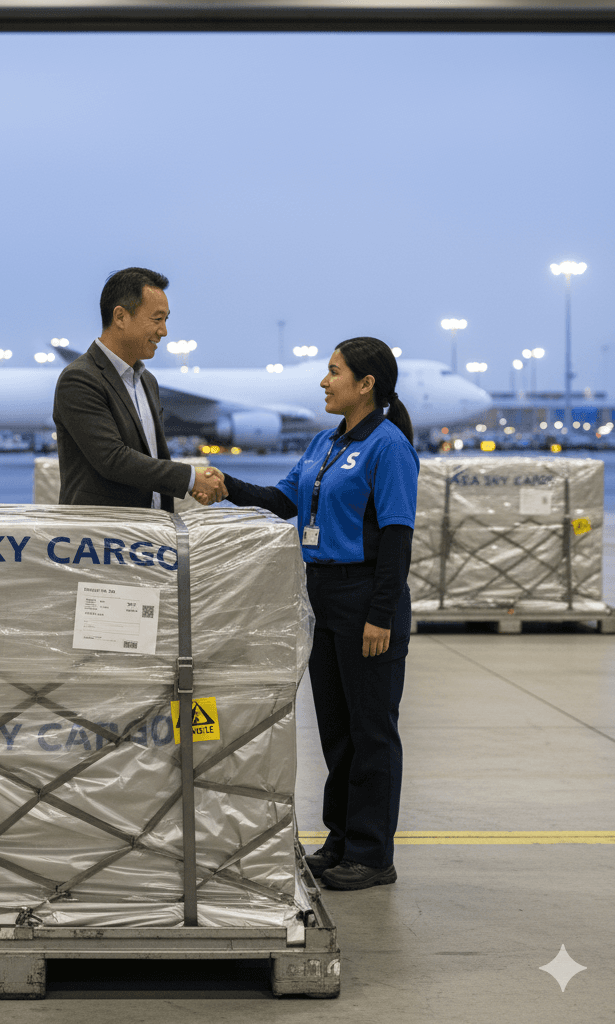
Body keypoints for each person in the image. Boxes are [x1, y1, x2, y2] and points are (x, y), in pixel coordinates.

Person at [195, 337, 418, 891]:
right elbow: (285, 501)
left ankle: (372, 854)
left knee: (372, 733)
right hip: (321, 595)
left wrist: (381, 615)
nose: (324, 381)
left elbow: (396, 538)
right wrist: (228, 487)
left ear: (366, 384)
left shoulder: (388, 447)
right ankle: (340, 841)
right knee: (338, 733)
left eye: (334, 372)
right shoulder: (325, 442)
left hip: (366, 596)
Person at [53, 267, 226, 508]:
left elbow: (153, 459)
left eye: (166, 320)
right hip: (101, 537)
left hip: (152, 534)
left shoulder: (147, 381)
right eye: (157, 319)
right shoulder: (80, 379)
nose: (164, 331)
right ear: (121, 317)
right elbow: (112, 459)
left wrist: (190, 485)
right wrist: (189, 479)